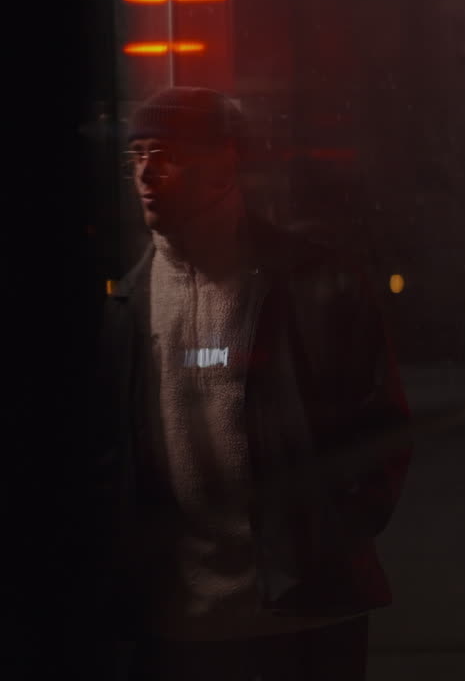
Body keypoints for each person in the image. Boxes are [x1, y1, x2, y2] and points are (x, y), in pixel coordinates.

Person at [90, 86, 411, 680]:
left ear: (222, 164)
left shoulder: (312, 281)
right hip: (175, 623)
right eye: (136, 158)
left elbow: (381, 425)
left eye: (166, 154)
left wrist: (324, 542)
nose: (146, 175)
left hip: (304, 618)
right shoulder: (124, 306)